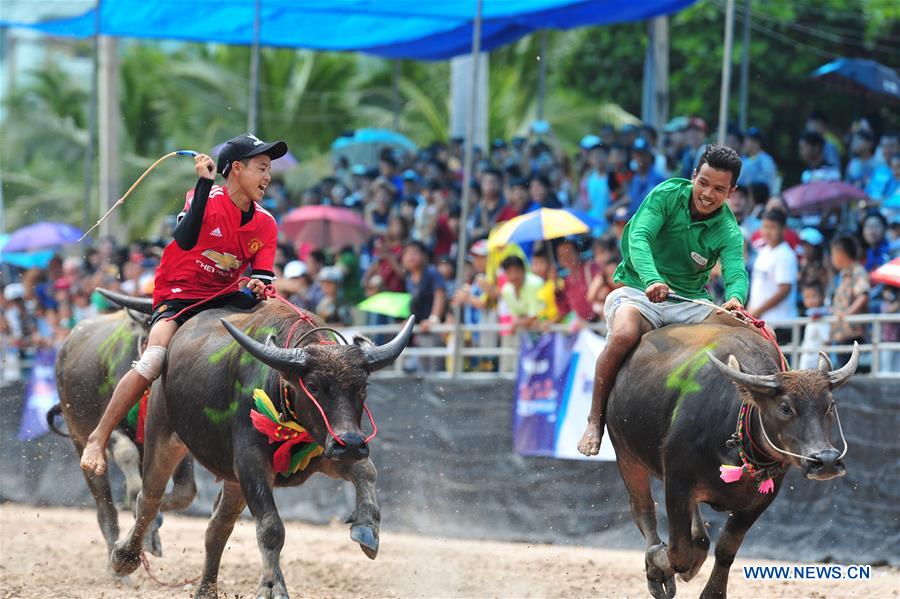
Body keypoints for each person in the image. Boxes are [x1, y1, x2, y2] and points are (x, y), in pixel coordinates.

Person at [80, 133, 287, 475]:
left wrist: (259, 286)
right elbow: (185, 238)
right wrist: (203, 185)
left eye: (269, 169)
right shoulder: (201, 196)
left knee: (273, 336)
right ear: (236, 169)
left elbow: (263, 277)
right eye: (262, 168)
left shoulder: (265, 223)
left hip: (225, 296)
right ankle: (98, 437)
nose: (268, 177)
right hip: (178, 296)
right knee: (153, 359)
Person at [578, 144, 750, 456]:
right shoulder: (666, 194)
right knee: (623, 336)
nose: (709, 194)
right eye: (704, 183)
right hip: (638, 291)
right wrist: (652, 278)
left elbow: (736, 271)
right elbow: (638, 237)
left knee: (751, 334)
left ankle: (754, 435)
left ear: (732, 191)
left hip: (690, 301)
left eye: (719, 189)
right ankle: (595, 420)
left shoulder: (728, 229)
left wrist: (736, 299)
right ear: (694, 175)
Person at [747, 209, 798, 344]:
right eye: (765, 227)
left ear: (783, 229)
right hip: (761, 321)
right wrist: (751, 310)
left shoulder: (785, 254)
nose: (767, 231)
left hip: (779, 322)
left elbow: (784, 289)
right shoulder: (764, 252)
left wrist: (759, 310)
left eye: (772, 227)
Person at [828, 234, 870, 370]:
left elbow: (863, 295)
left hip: (853, 333)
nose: (832, 258)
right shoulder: (843, 274)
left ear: (840, 253)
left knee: (850, 373)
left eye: (833, 254)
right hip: (842, 333)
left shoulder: (858, 271)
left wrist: (847, 314)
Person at [737, 127, 778, 193]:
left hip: (759, 198)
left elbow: (769, 183)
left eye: (748, 140)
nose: (745, 143)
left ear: (757, 143)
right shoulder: (744, 159)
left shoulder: (766, 160)